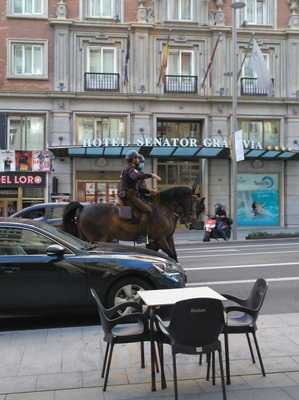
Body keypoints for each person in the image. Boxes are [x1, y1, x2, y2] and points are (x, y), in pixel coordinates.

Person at [118, 151, 161, 225]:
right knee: (148, 210)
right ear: (133, 159)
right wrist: (151, 175)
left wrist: (149, 191)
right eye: (137, 158)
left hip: (128, 194)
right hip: (129, 195)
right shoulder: (130, 169)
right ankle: (141, 233)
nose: (138, 160)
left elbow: (139, 187)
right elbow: (136, 177)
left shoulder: (130, 169)